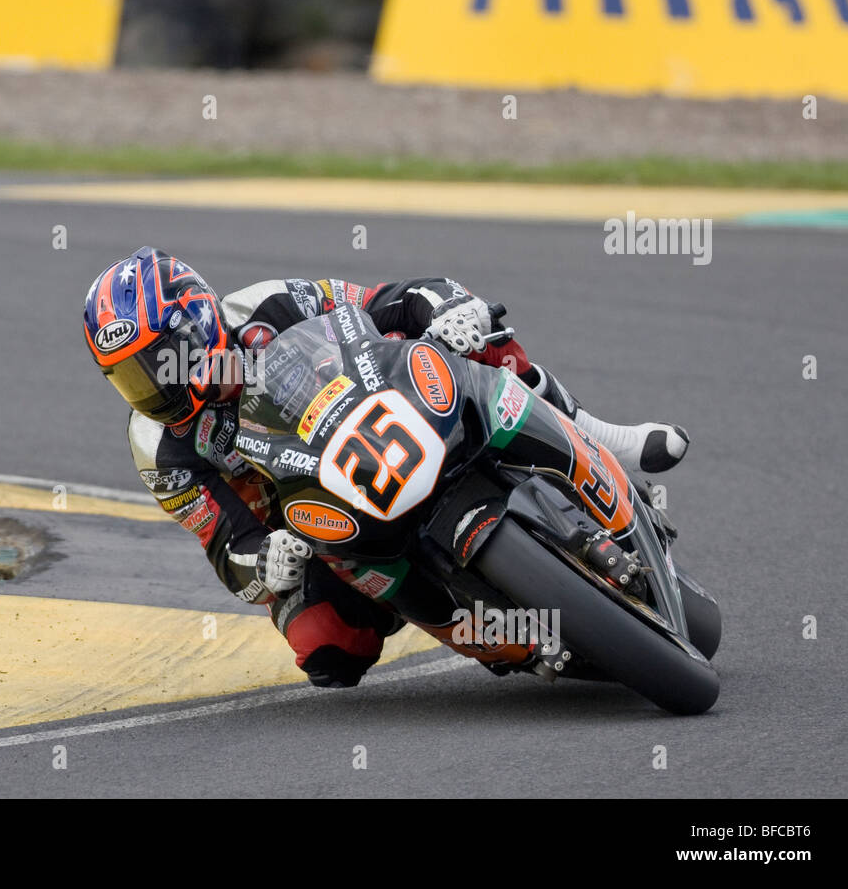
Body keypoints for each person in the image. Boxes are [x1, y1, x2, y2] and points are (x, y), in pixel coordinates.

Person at [83, 247, 689, 687]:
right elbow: (225, 545)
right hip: (311, 518)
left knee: (473, 333)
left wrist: (443, 308)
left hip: (383, 413)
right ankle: (458, 614)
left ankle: (590, 428)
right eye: (130, 377)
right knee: (329, 650)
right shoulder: (158, 447)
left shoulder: (264, 305)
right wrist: (264, 564)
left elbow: (379, 303)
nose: (152, 387)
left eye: (159, 360)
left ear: (199, 322)